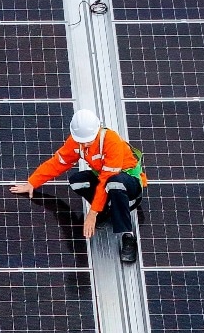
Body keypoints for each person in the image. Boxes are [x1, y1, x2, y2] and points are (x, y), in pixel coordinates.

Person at [9, 109, 147, 264]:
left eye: (88, 140)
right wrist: (32, 182)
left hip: (129, 188)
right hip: (107, 184)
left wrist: (92, 213)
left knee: (115, 182)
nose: (85, 144)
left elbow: (106, 180)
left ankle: (127, 235)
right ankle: (106, 209)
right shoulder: (77, 142)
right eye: (81, 141)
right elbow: (58, 162)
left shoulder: (111, 141)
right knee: (77, 181)